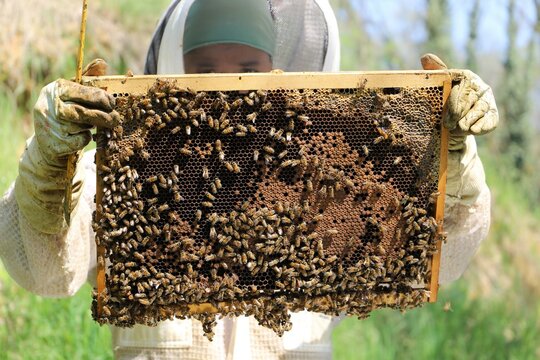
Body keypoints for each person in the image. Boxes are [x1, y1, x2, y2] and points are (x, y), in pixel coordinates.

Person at [0, 0, 498, 358]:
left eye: (245, 66)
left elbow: (442, 253)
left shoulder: (327, 182)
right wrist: (48, 164)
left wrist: (452, 158)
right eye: (206, 67)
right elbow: (42, 271)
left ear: (273, 71)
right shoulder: (131, 164)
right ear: (179, 69)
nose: (228, 83)